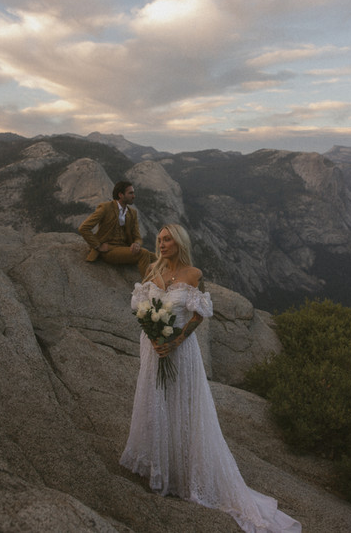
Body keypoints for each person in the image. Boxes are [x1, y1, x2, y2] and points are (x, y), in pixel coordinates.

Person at [120, 224, 302, 533]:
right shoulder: (152, 270)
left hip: (180, 350)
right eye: (160, 240)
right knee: (155, 401)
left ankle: (184, 474)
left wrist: (175, 341)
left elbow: (198, 314)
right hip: (154, 350)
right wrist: (153, 338)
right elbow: (141, 308)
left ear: (179, 243)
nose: (162, 244)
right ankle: (157, 466)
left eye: (168, 240)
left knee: (183, 406)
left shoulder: (193, 274)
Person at [78, 181, 155, 279]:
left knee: (160, 258)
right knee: (143, 254)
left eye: (133, 193)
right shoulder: (105, 208)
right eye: (130, 193)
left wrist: (137, 243)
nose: (134, 196)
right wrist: (98, 245)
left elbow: (137, 237)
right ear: (120, 195)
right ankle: (149, 288)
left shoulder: (132, 213)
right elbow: (84, 228)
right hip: (109, 250)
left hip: (124, 248)